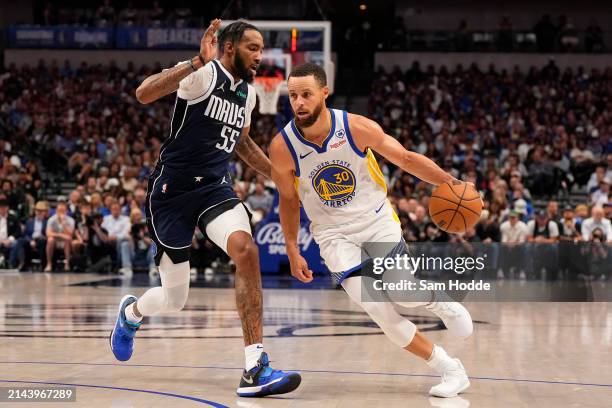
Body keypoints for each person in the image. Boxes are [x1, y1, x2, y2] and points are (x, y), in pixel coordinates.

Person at [110, 19, 300, 397]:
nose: (260, 56)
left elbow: (242, 144)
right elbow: (144, 93)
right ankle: (132, 313)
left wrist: (281, 178)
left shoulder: (245, 93)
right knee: (174, 300)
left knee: (246, 249)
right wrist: (195, 62)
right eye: (253, 48)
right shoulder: (201, 74)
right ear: (229, 48)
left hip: (214, 189)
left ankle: (254, 367)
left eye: (261, 49)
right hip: (171, 193)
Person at [270, 63, 473, 398]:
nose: (299, 102)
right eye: (293, 96)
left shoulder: (355, 127)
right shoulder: (282, 147)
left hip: (374, 221)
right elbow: (288, 201)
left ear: (324, 92)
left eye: (306, 94)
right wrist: (292, 247)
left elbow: (405, 158)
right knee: (378, 310)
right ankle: (449, 368)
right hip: (333, 237)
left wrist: (449, 182)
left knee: (403, 290)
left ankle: (442, 303)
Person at [18, 201, 49, 270]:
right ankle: (23, 263)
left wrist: (40, 238)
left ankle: (42, 264)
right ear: (35, 211)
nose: (39, 212)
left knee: (42, 241)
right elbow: (25, 234)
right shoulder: (29, 221)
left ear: (44, 212)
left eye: (41, 211)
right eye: (37, 210)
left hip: (41, 239)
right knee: (20, 241)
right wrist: (30, 241)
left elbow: (48, 234)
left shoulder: (47, 222)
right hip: (31, 239)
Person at [102, 201, 132, 275]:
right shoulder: (106, 219)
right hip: (107, 240)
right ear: (110, 210)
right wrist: (109, 237)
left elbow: (126, 233)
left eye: (117, 209)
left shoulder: (126, 219)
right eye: (113, 209)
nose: (115, 211)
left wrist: (116, 237)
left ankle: (125, 267)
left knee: (124, 242)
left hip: (119, 241)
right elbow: (102, 230)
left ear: (120, 210)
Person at [45, 201, 75, 272]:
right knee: (50, 240)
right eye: (59, 210)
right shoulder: (51, 219)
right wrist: (60, 235)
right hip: (55, 240)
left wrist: (62, 223)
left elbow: (70, 234)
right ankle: (49, 264)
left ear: (66, 211)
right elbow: (48, 233)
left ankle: (67, 264)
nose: (60, 212)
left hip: (66, 241)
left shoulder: (71, 220)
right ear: (56, 210)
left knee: (68, 239)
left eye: (63, 210)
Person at [0, 195, 22, 268]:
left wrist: (10, 239)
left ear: (7, 208)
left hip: (9, 240)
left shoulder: (13, 218)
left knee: (15, 244)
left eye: (4, 207)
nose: (2, 209)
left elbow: (18, 231)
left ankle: (11, 264)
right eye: (1, 207)